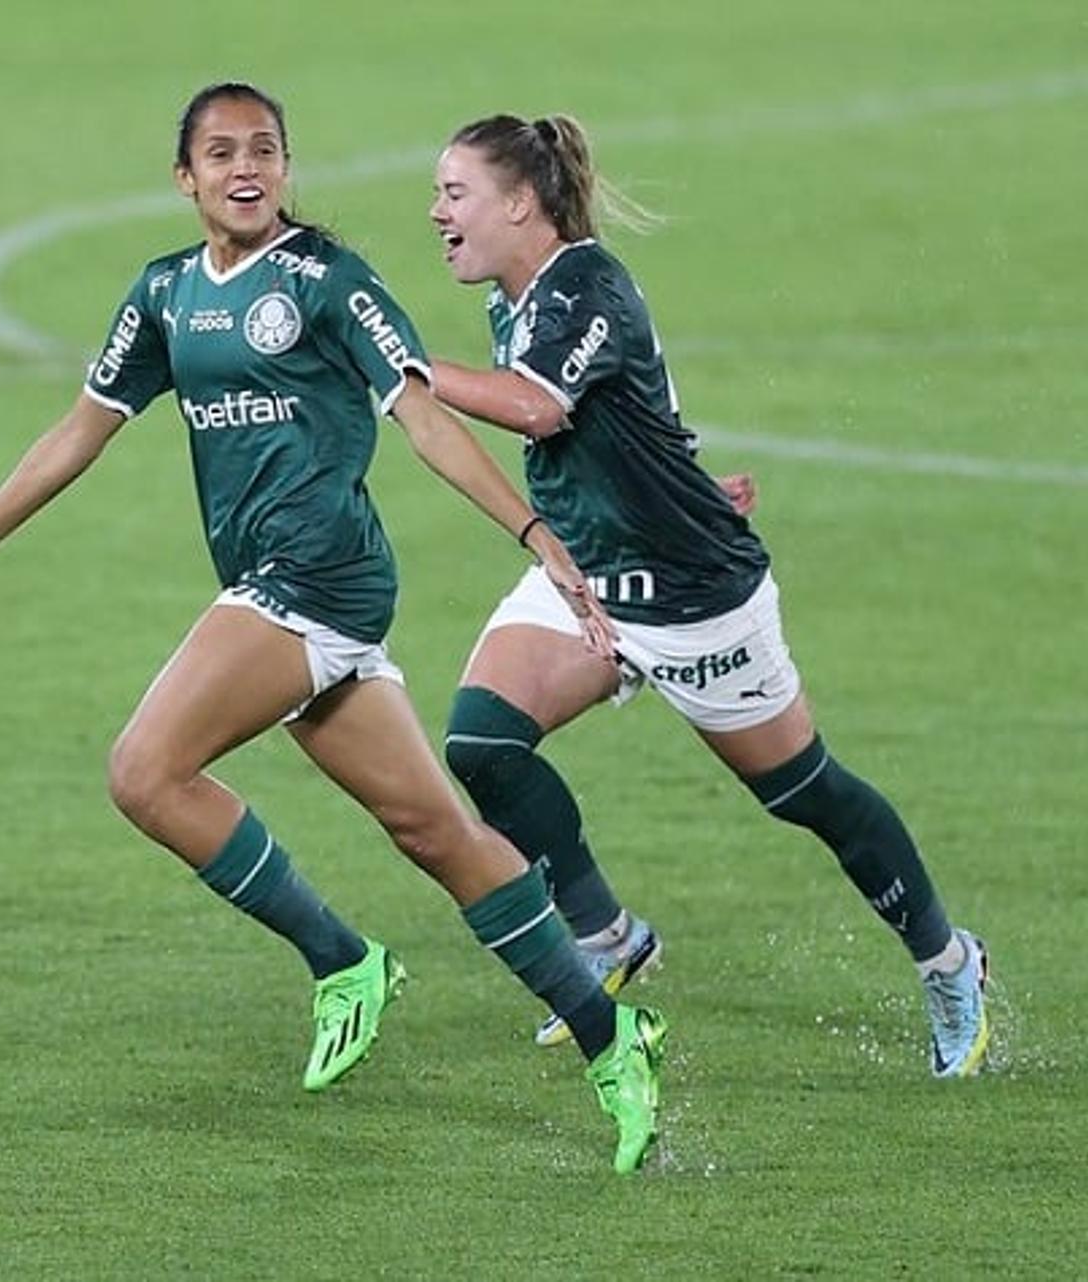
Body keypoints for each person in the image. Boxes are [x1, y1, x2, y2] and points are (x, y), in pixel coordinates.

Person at [0, 84, 667, 1171]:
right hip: (274, 585)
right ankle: (608, 1030)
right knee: (438, 834)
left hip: (319, 578)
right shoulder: (163, 295)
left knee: (146, 771)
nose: (246, 168)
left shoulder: (329, 284)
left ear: (287, 170)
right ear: (185, 178)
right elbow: (79, 430)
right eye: (220, 152)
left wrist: (537, 536)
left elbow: (424, 418)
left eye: (266, 150)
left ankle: (344, 961)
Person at [424, 113, 990, 1077]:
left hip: (695, 597)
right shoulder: (513, 298)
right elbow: (629, 418)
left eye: (454, 193)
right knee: (481, 741)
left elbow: (540, 406)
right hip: (590, 576)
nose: (437, 214)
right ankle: (604, 937)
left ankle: (948, 961)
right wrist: (679, 485)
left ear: (520, 202)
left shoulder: (586, 280)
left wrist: (398, 362)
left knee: (805, 793)